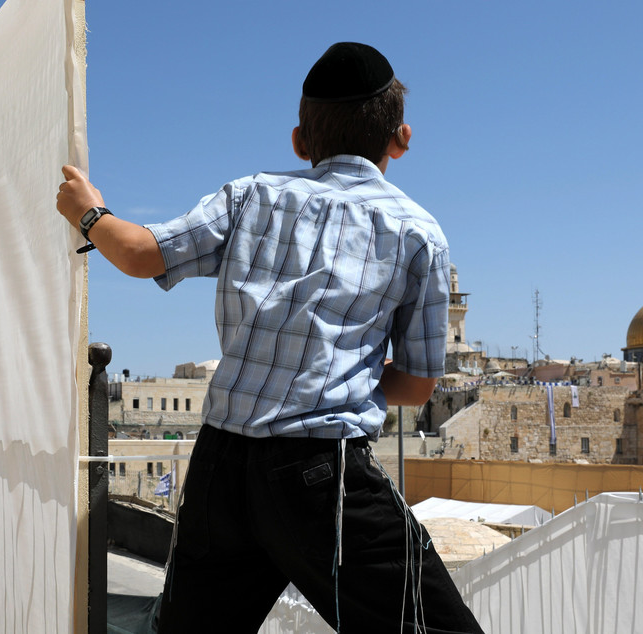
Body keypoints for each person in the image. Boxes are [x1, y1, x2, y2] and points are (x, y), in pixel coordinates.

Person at [57, 42, 484, 633]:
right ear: (401, 138)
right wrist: (343, 369)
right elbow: (417, 386)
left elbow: (138, 253)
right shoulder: (417, 231)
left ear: (300, 143)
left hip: (220, 465)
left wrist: (88, 212)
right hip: (323, 477)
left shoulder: (251, 195)